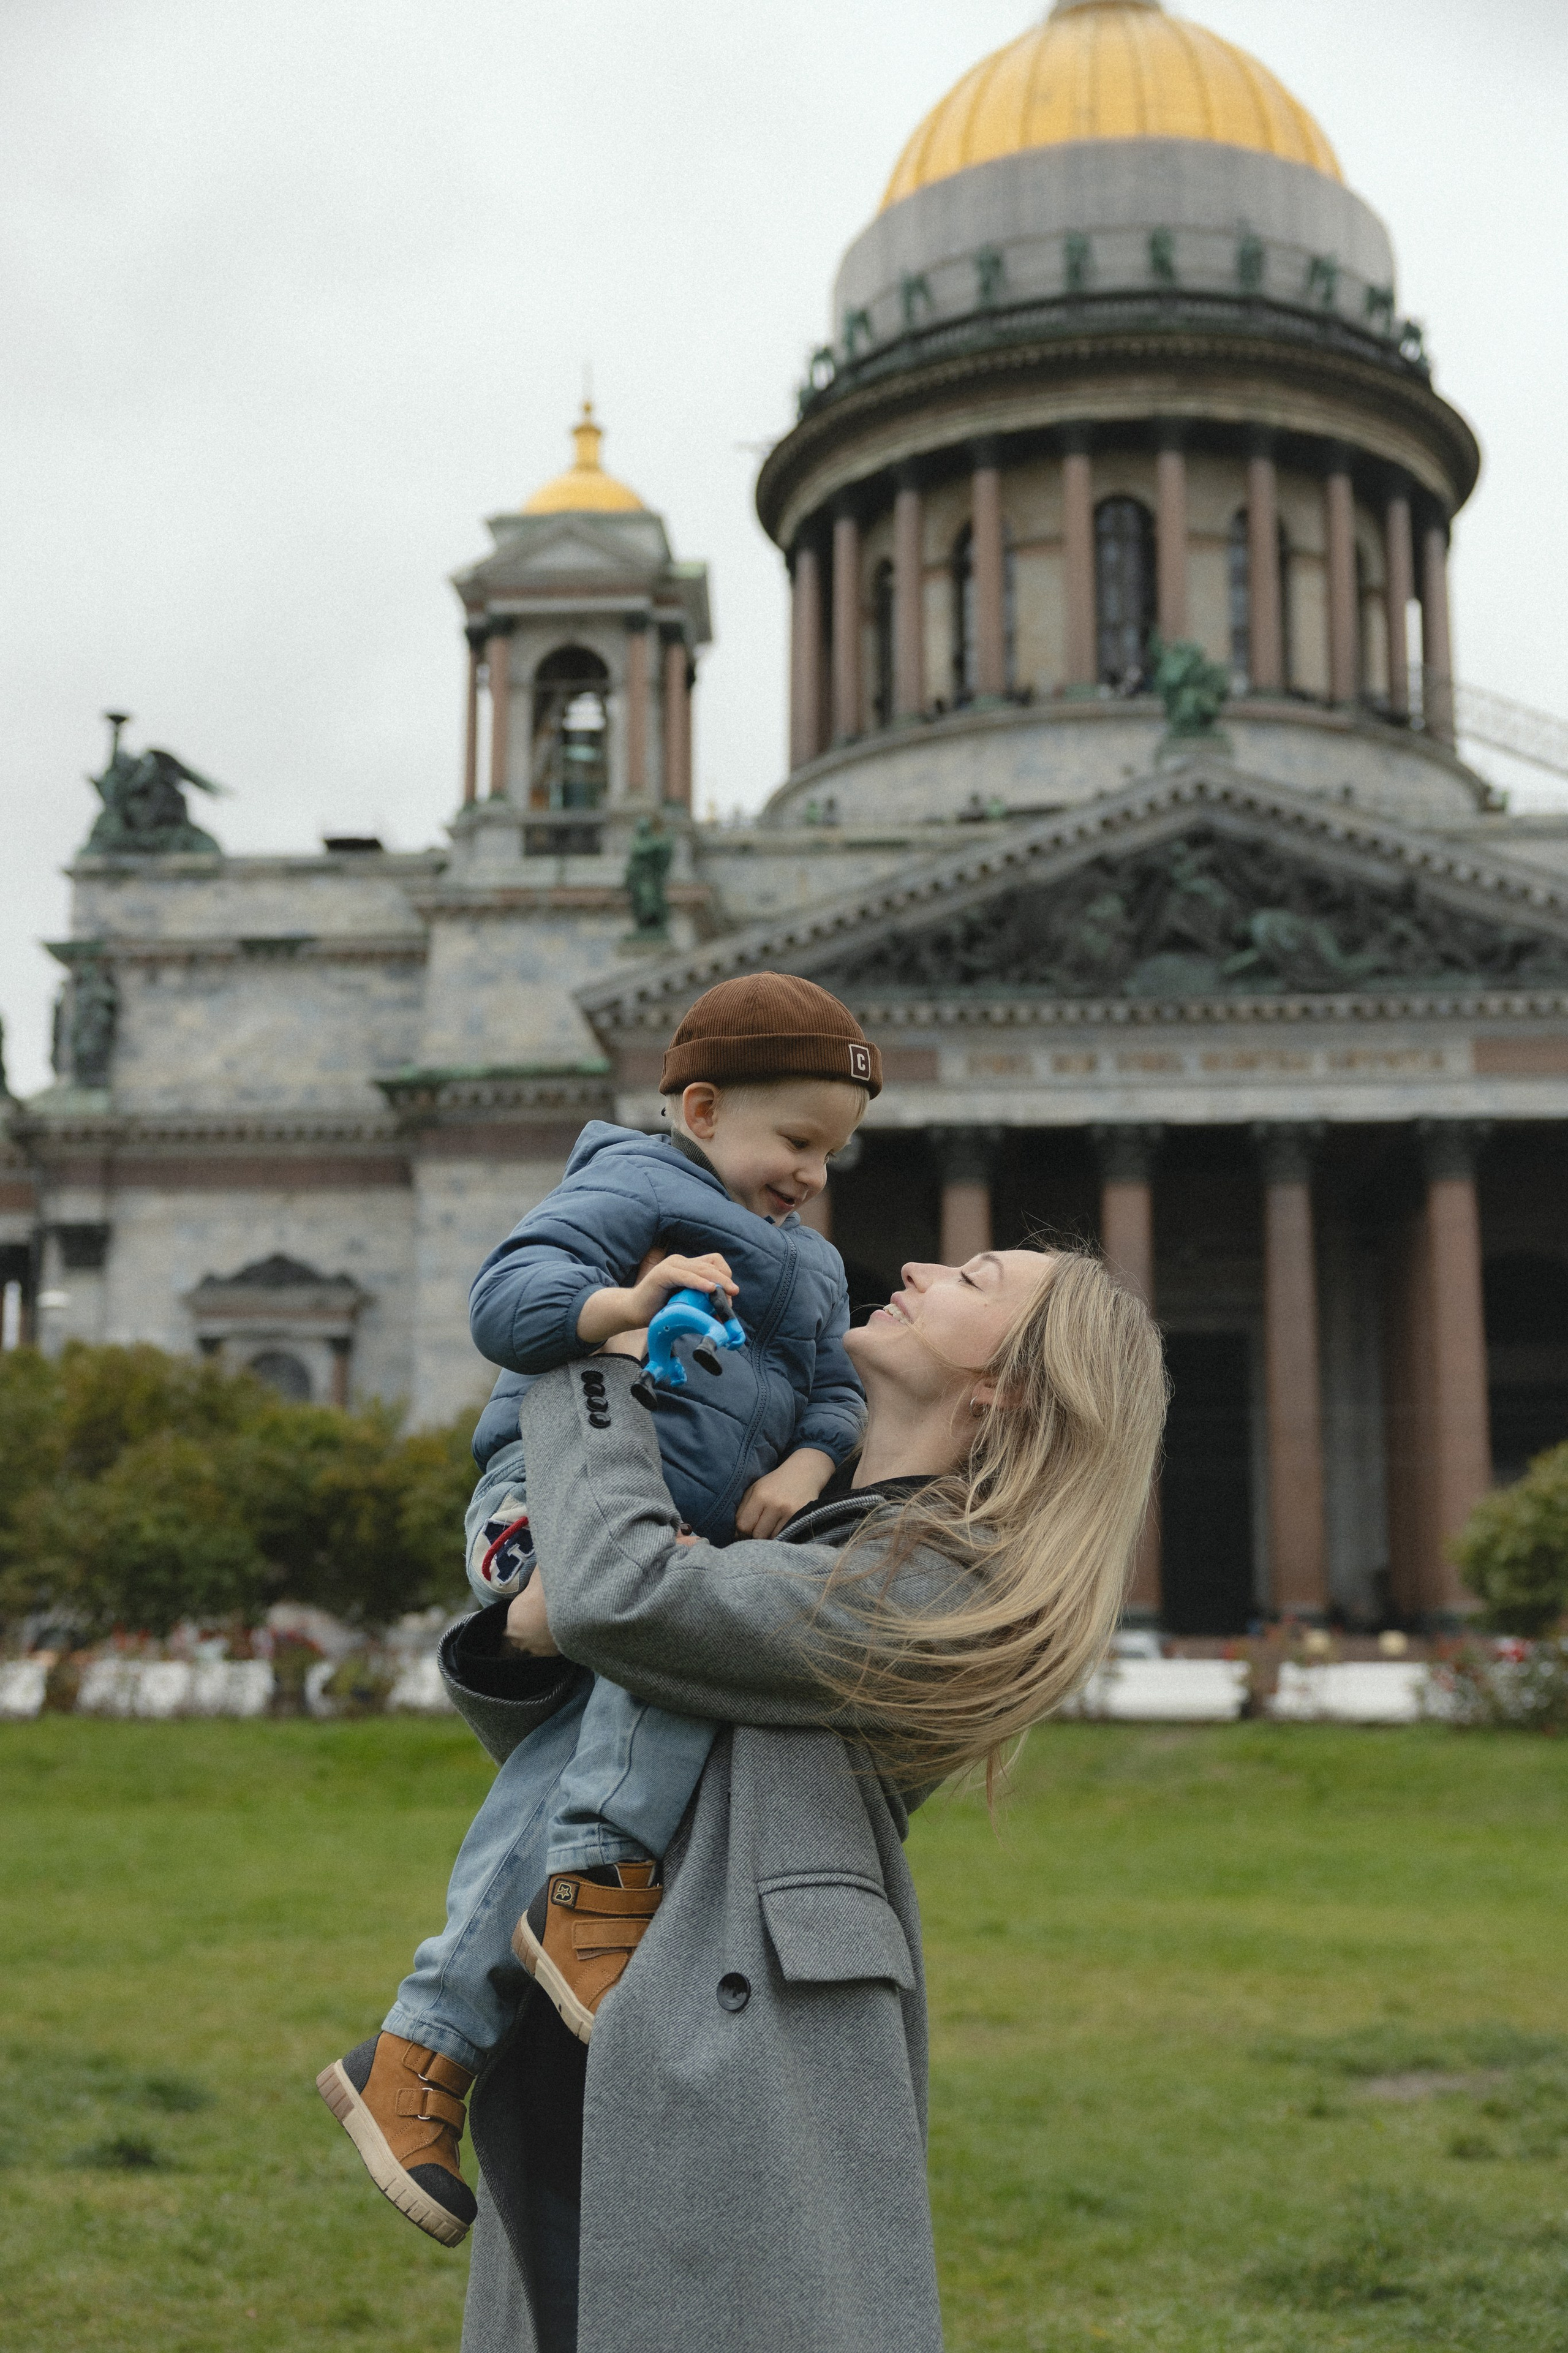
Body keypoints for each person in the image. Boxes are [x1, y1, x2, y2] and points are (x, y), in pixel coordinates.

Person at [447, 1241, 1167, 2353]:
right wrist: (523, 1638)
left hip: (731, 2044)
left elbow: (624, 1601)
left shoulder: (944, 1586)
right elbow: (597, 1728)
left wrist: (598, 1355)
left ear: (1008, 1386)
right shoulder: (795, 1518)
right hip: (606, 1984)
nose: (920, 1267)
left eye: (974, 1279)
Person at [317, 973, 875, 2247]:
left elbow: (835, 1394)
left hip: (668, 1540)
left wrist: (805, 1464)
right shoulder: (631, 1184)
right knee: (684, 1632)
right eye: (796, 1141)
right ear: (701, 1109)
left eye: (832, 1154)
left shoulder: (812, 1264)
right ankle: (593, 1889)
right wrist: (622, 1304)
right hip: (543, 1507)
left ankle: (418, 2050)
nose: (810, 1175)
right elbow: (505, 1299)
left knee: (573, 1750)